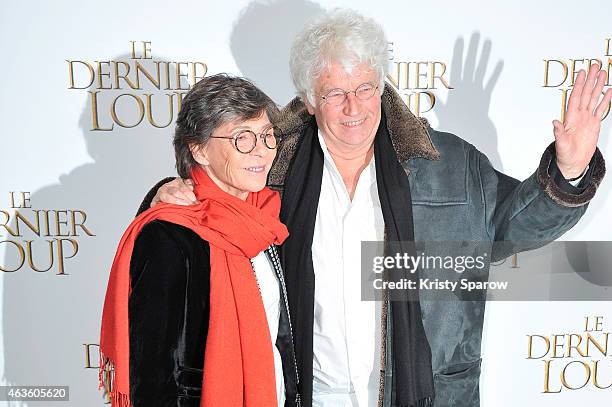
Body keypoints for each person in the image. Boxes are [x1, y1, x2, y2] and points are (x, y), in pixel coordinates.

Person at [141, 10, 609, 407]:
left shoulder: (448, 164)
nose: (354, 108)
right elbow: (209, 215)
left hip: (426, 394)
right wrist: (167, 190)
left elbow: (517, 226)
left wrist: (568, 170)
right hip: (308, 394)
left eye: (365, 88)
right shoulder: (270, 172)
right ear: (308, 99)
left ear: (382, 85)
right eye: (334, 93)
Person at [99, 74, 300, 407]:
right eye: (243, 139)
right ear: (199, 149)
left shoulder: (265, 218)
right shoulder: (167, 235)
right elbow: (152, 375)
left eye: (267, 136)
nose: (262, 151)